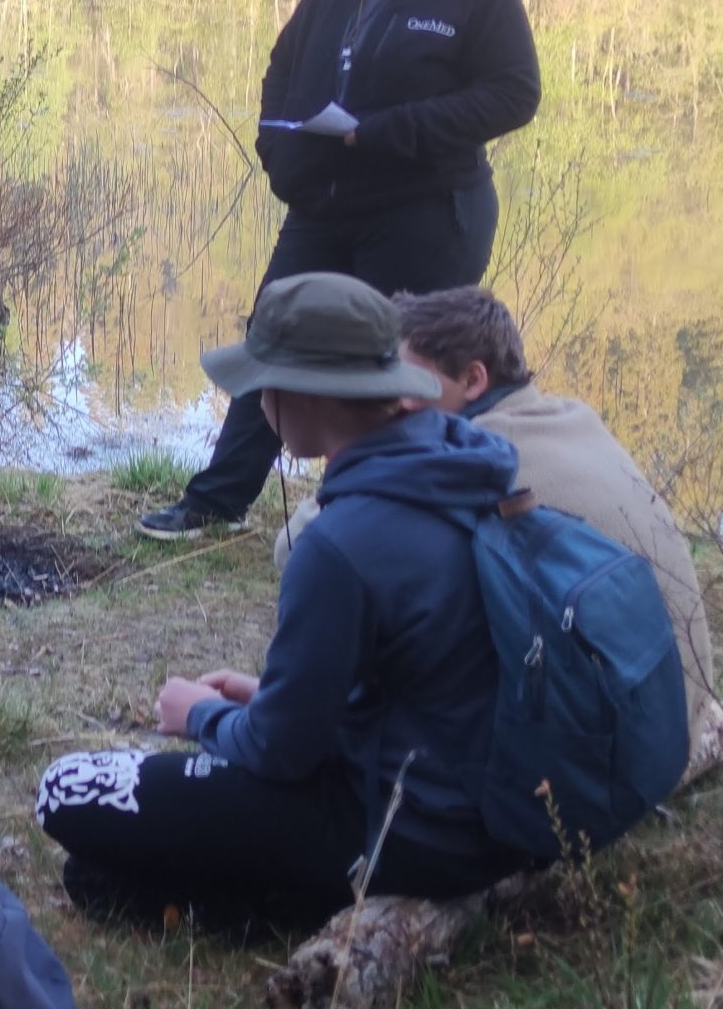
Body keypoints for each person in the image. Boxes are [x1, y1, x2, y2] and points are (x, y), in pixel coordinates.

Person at [40, 274, 532, 932]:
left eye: (261, 385)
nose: (255, 401)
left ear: (297, 396)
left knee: (67, 790)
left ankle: (287, 899)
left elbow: (281, 755)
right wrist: (268, 695)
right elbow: (416, 674)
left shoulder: (340, 543)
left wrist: (204, 715)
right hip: (479, 811)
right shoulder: (458, 469)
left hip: (404, 830)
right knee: (96, 875)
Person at [139, 0, 541, 540]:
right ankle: (216, 502)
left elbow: (515, 94)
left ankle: (393, 509)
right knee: (277, 339)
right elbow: (284, 65)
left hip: (427, 211)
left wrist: (391, 130)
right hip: (325, 203)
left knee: (406, 369)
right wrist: (276, 147)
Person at [276, 286, 718, 744]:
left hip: (612, 757)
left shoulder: (480, 460)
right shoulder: (571, 417)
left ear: (472, 380)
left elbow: (296, 547)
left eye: (406, 382)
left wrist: (358, 439)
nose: (393, 400)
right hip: (677, 715)